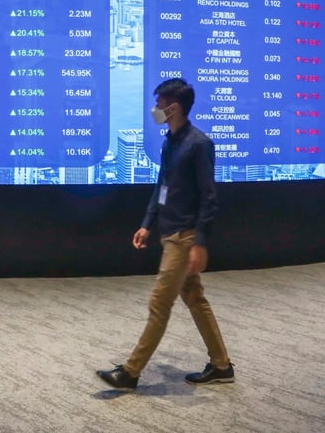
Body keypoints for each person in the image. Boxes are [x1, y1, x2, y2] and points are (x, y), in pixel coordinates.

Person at [96, 77, 234, 390]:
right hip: (169, 230)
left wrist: (200, 242)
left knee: (159, 303)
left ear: (174, 107)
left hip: (184, 237)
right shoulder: (169, 142)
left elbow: (209, 197)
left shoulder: (199, 144)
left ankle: (130, 372)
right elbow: (162, 185)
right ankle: (222, 365)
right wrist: (147, 222)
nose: (155, 108)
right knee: (195, 299)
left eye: (159, 103)